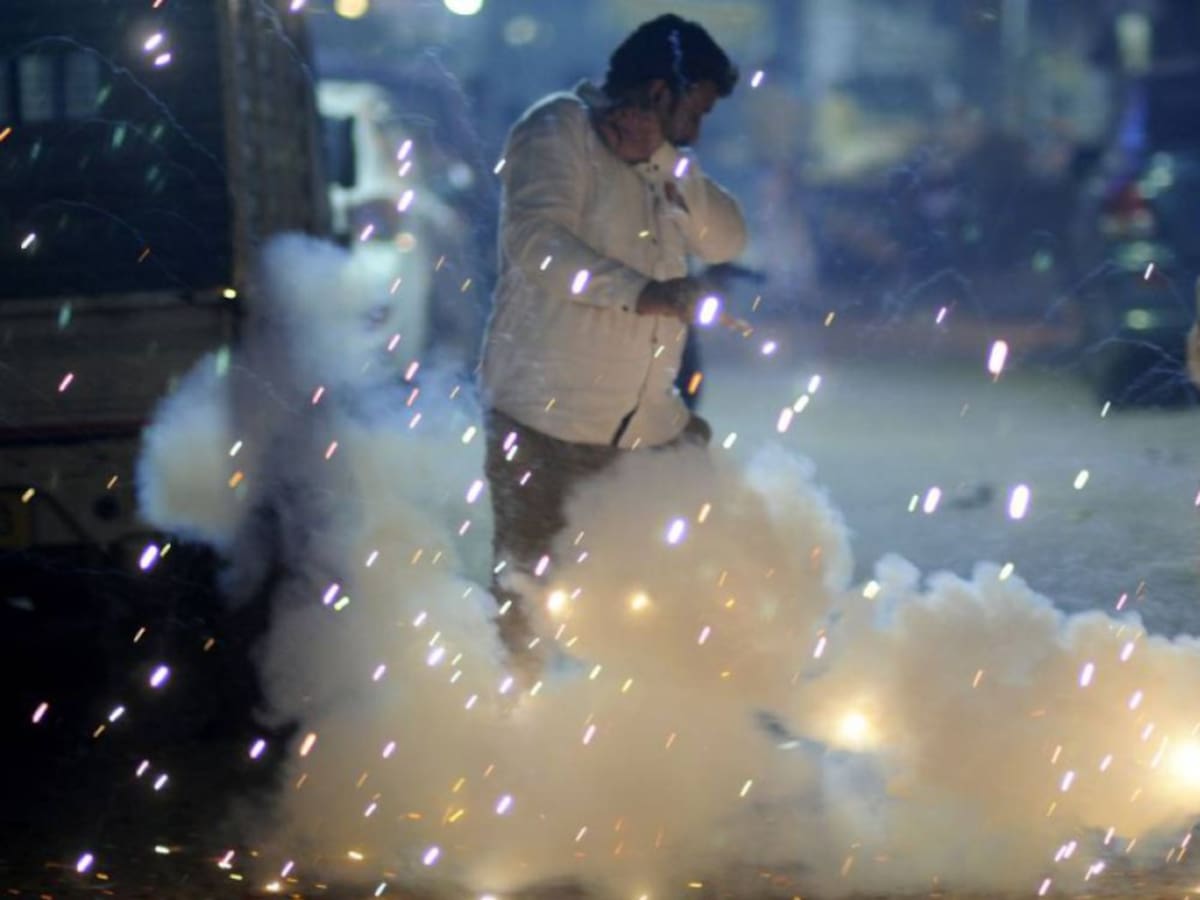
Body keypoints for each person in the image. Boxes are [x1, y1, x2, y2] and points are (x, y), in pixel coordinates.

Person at [478, 13, 747, 679]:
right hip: (548, 422)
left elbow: (727, 239)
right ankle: (512, 726)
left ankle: (659, 715)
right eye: (695, 110)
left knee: (682, 577)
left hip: (651, 425)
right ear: (659, 91)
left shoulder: (666, 165)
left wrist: (663, 160)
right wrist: (644, 293)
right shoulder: (557, 130)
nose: (698, 130)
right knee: (529, 603)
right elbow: (538, 245)